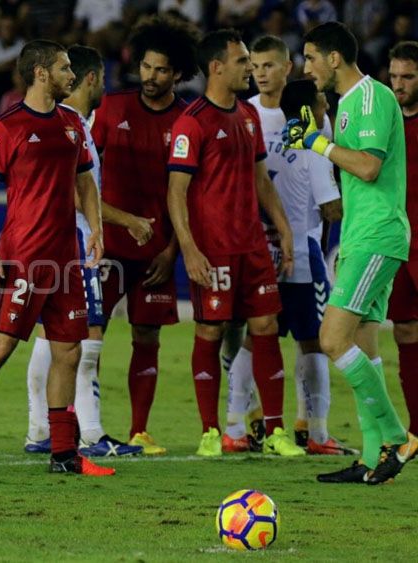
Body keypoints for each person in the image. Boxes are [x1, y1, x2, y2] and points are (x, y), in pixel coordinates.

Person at [0, 40, 114, 476]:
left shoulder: (72, 124)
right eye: (65, 68)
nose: (72, 75)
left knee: (69, 349)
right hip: (24, 259)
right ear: (40, 73)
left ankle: (64, 454)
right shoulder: (6, 126)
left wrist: (97, 230)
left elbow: (86, 182)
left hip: (66, 259)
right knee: (2, 346)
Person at [283, 22, 416, 484]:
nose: (307, 67)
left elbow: (369, 166)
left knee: (331, 339)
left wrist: (316, 142)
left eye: (311, 57)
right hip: (363, 236)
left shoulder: (370, 97)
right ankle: (372, 454)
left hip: (378, 236)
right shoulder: (344, 107)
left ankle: (398, 437)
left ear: (334, 58)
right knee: (362, 344)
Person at [167, 29, 303, 458]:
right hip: (214, 249)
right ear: (217, 67)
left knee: (266, 328)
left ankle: (277, 432)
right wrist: (189, 247)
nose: (250, 68)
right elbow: (176, 192)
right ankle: (210, 430)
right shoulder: (192, 121)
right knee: (210, 330)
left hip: (252, 246)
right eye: (243, 61)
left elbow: (261, 179)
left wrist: (282, 227)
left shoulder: (248, 116)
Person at [223, 36, 352, 456]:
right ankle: (244, 426)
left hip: (304, 242)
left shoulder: (309, 115)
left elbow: (320, 185)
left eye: (268, 65)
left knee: (294, 338)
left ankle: (303, 428)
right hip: (264, 246)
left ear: (287, 68)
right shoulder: (246, 116)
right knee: (262, 335)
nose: (259, 73)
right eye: (253, 65)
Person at [23, 45, 152, 458]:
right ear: (91, 79)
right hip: (73, 243)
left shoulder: (73, 123)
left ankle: (40, 428)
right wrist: (127, 221)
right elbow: (79, 195)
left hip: (58, 241)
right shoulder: (72, 125)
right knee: (85, 336)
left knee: (52, 334)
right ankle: (91, 434)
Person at [87, 14, 200, 456]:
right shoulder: (112, 109)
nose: (151, 77)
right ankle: (85, 425)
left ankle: (139, 431)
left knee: (147, 338)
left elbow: (186, 195)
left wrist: (172, 250)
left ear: (178, 74)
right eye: (147, 68)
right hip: (109, 246)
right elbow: (83, 174)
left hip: (156, 254)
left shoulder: (187, 121)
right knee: (90, 334)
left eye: (161, 70)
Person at [388, 40, 418, 452]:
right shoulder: (386, 123)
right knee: (405, 331)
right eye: (393, 77)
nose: (399, 85)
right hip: (399, 244)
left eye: (408, 77)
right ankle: (416, 429)